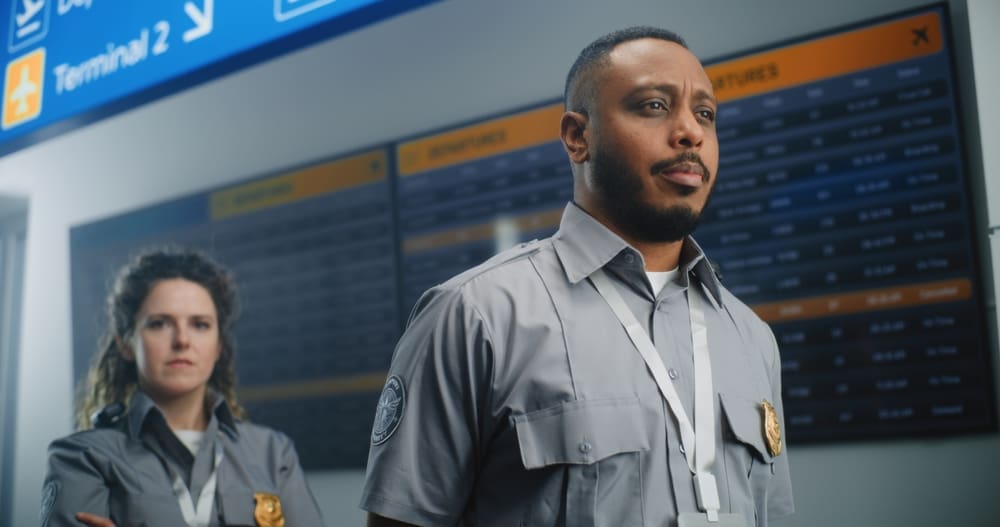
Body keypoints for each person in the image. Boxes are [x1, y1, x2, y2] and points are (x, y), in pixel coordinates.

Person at [361, 26, 793, 526]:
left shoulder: (751, 337)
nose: (690, 132)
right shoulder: (475, 316)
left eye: (705, 114)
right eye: (654, 106)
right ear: (577, 137)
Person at [41, 248, 324, 526]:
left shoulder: (273, 453)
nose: (182, 341)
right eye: (159, 323)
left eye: (200, 325)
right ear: (126, 344)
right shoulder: (84, 457)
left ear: (218, 347)